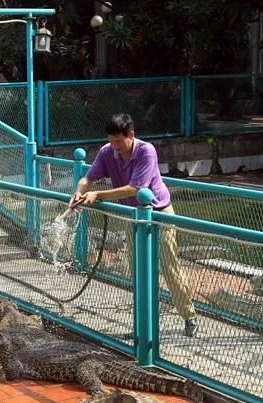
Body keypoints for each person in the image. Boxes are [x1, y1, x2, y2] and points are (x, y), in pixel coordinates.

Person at [69, 113, 199, 338]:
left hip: (159, 214)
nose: (115, 146)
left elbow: (134, 189)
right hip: (133, 216)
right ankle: (144, 324)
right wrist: (79, 192)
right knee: (138, 270)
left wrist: (97, 194)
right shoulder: (106, 151)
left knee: (169, 266)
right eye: (111, 140)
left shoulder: (146, 151)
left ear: (131, 135)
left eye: (119, 141)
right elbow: (88, 178)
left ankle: (189, 316)